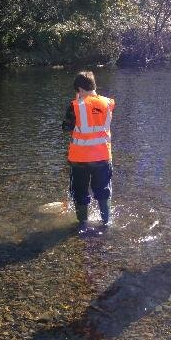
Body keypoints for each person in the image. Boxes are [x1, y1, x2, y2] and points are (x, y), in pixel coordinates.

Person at [62, 71, 115, 233]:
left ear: (79, 89)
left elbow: (66, 128)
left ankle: (82, 224)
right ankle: (106, 222)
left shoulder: (75, 105)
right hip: (103, 156)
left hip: (80, 159)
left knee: (80, 191)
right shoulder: (107, 103)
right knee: (103, 190)